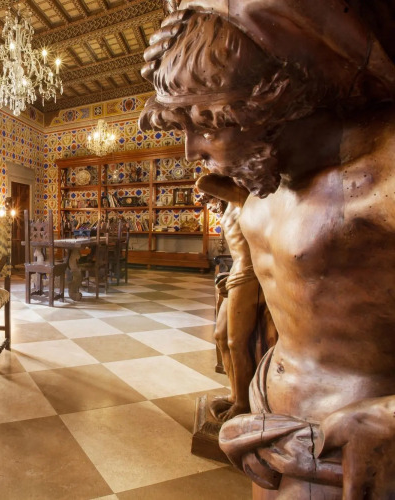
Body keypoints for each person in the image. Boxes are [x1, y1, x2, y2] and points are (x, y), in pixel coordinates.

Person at [140, 1, 395, 498]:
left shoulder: (380, 173)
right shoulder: (264, 175)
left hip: (347, 447)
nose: (190, 151)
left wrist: (386, 420)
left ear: (271, 106)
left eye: (207, 124)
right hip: (270, 425)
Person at [198, 175, 277, 423]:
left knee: (237, 342)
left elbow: (204, 183)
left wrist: (215, 174)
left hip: (249, 274)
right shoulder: (231, 204)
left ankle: (243, 403)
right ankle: (234, 394)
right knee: (221, 336)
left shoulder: (245, 196)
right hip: (236, 272)